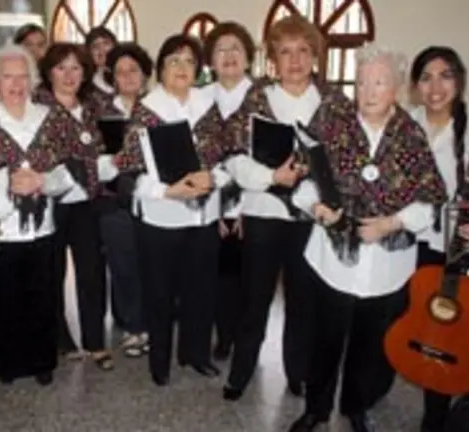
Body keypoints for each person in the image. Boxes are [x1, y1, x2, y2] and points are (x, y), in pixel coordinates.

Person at [288, 44, 447, 432]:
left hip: (385, 266)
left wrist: (390, 223)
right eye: (361, 82)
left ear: (396, 88)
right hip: (332, 259)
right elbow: (302, 179)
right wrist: (316, 208)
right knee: (324, 341)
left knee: (369, 346)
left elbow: (431, 202)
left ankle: (355, 408)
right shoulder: (332, 122)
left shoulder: (411, 136)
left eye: (379, 82)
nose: (368, 91)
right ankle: (315, 409)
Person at [114, 34, 231, 386]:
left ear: (198, 69)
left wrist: (214, 178)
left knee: (201, 290)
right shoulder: (147, 109)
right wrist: (168, 190)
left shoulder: (207, 106)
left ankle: (195, 354)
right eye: (174, 61)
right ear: (160, 69)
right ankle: (160, 361)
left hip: (204, 216)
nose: (182, 68)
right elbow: (131, 172)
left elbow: (226, 157)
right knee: (160, 293)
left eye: (189, 61)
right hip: (162, 217)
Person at [222, 15, 326, 401]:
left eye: (302, 51)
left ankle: (298, 371)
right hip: (264, 212)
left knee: (303, 299)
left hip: (309, 217)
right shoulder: (257, 99)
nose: (295, 60)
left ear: (314, 56)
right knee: (255, 298)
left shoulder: (331, 102)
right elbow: (233, 157)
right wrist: (271, 177)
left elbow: (347, 162)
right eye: (285, 52)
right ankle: (241, 371)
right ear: (272, 61)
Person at [409, 46, 469, 432]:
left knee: (454, 328)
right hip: (408, 242)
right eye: (426, 77)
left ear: (459, 81)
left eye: (445, 75)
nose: (435, 86)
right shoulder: (405, 125)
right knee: (414, 324)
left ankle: (454, 405)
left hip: (455, 250)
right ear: (415, 87)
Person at [0, 44, 79, 386]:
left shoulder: (49, 117)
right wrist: (8, 183)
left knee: (43, 296)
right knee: (7, 299)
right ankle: (7, 364)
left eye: (23, 76)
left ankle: (42, 362)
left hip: (43, 224)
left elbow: (71, 168)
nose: (16, 83)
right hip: (3, 227)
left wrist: (42, 180)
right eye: (8, 76)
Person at [35, 43, 114, 370]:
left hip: (88, 201)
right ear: (49, 72)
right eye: (61, 68)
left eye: (76, 68)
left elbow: (111, 146)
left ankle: (95, 341)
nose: (69, 75)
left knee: (92, 272)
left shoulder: (95, 105)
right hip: (51, 202)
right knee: (52, 273)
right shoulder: (36, 106)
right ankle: (61, 339)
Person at [199, 21, 255, 361]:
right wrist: (217, 206)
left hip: (256, 202)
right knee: (218, 275)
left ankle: (248, 341)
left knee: (251, 277)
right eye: (221, 49)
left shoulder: (263, 97)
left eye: (236, 48)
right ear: (211, 61)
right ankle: (223, 335)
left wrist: (244, 206)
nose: (229, 55)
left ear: (248, 57)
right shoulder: (200, 99)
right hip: (211, 201)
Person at [99, 42, 153, 358]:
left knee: (151, 264)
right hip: (113, 198)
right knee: (123, 265)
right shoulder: (103, 112)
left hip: (154, 198)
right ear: (113, 78)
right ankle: (132, 327)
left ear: (145, 74)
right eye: (120, 72)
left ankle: (152, 322)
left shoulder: (159, 107)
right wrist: (112, 161)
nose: (128, 76)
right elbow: (91, 159)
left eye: (133, 69)